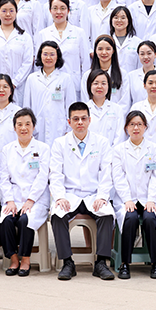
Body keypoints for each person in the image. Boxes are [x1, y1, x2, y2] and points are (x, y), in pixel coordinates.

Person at [47, 102, 117, 281]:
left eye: (83, 118)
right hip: (69, 195)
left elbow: (107, 173)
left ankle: (101, 262)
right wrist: (59, 197)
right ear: (69, 121)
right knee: (57, 215)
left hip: (93, 195)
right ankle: (67, 262)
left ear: (89, 120)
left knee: (107, 214)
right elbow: (55, 174)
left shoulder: (101, 142)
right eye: (76, 119)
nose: (80, 122)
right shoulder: (59, 143)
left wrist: (102, 196)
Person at [108, 110, 156, 279]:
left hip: (148, 198)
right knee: (130, 218)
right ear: (126, 128)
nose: (136, 128)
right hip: (127, 199)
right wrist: (127, 199)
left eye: (139, 124)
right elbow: (118, 177)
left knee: (150, 218)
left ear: (146, 127)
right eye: (132, 124)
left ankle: (155, 263)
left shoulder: (155, 149)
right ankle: (125, 264)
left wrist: (151, 199)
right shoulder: (119, 150)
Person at [0, 108, 49, 276]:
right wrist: (10, 200)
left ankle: (25, 259)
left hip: (36, 199)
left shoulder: (43, 148)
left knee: (25, 220)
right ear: (14, 127)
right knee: (6, 221)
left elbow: (42, 177)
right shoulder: (7, 149)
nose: (23, 128)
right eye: (19, 124)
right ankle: (13, 259)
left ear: (33, 126)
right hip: (14, 197)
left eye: (27, 124)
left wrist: (31, 200)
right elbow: (3, 178)